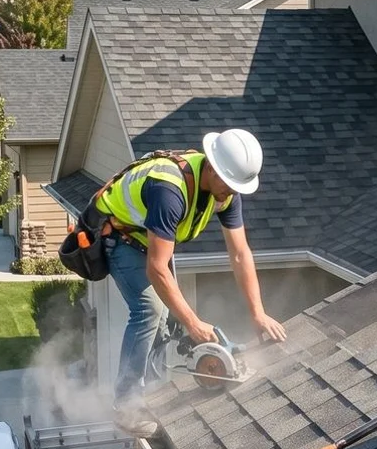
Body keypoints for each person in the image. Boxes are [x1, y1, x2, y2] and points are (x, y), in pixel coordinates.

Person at [91, 128, 288, 405]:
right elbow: (156, 269)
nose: (231, 193)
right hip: (118, 236)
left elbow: (241, 254)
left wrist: (258, 313)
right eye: (229, 185)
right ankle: (127, 403)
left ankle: (151, 393)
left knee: (165, 322)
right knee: (150, 310)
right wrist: (194, 324)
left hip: (150, 239)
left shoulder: (226, 191)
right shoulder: (169, 190)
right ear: (212, 167)